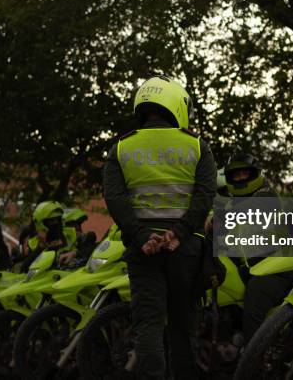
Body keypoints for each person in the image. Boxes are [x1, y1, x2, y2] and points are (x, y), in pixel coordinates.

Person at [103, 76, 216, 380]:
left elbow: (114, 198)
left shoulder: (121, 148)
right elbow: (205, 195)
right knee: (183, 326)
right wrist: (178, 234)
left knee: (149, 324)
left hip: (144, 248)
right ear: (175, 105)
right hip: (185, 248)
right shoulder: (196, 145)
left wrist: (141, 237)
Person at [223, 151, 293, 342]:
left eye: (244, 174)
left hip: (277, 268)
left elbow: (251, 209)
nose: (240, 178)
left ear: (254, 174)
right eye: (235, 175)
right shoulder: (230, 205)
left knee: (254, 300)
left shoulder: (266, 195)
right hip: (252, 268)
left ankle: (254, 364)